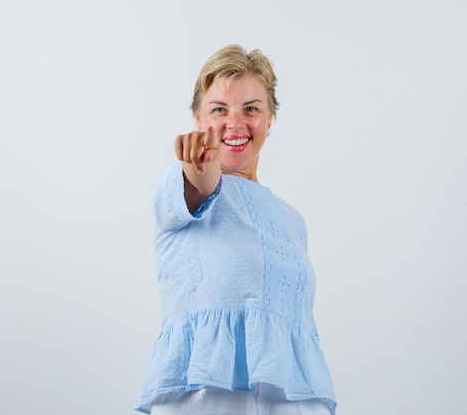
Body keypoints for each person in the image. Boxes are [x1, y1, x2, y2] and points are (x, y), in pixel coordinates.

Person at [134, 44, 337, 415]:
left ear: (270, 119)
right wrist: (199, 161)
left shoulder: (293, 221)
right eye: (218, 110)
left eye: (251, 109)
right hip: (207, 399)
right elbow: (202, 179)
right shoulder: (181, 187)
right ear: (198, 120)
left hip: (295, 400)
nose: (235, 123)